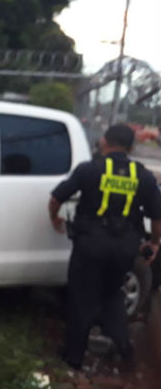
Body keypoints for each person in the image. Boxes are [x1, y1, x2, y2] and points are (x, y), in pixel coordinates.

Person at [48, 124, 161, 370]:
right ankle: (124, 348)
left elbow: (57, 198)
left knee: (82, 298)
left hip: (90, 245)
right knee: (112, 295)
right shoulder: (143, 176)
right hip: (124, 248)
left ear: (104, 142)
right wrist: (154, 241)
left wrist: (55, 218)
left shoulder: (90, 169)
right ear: (131, 148)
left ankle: (74, 357)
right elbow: (156, 214)